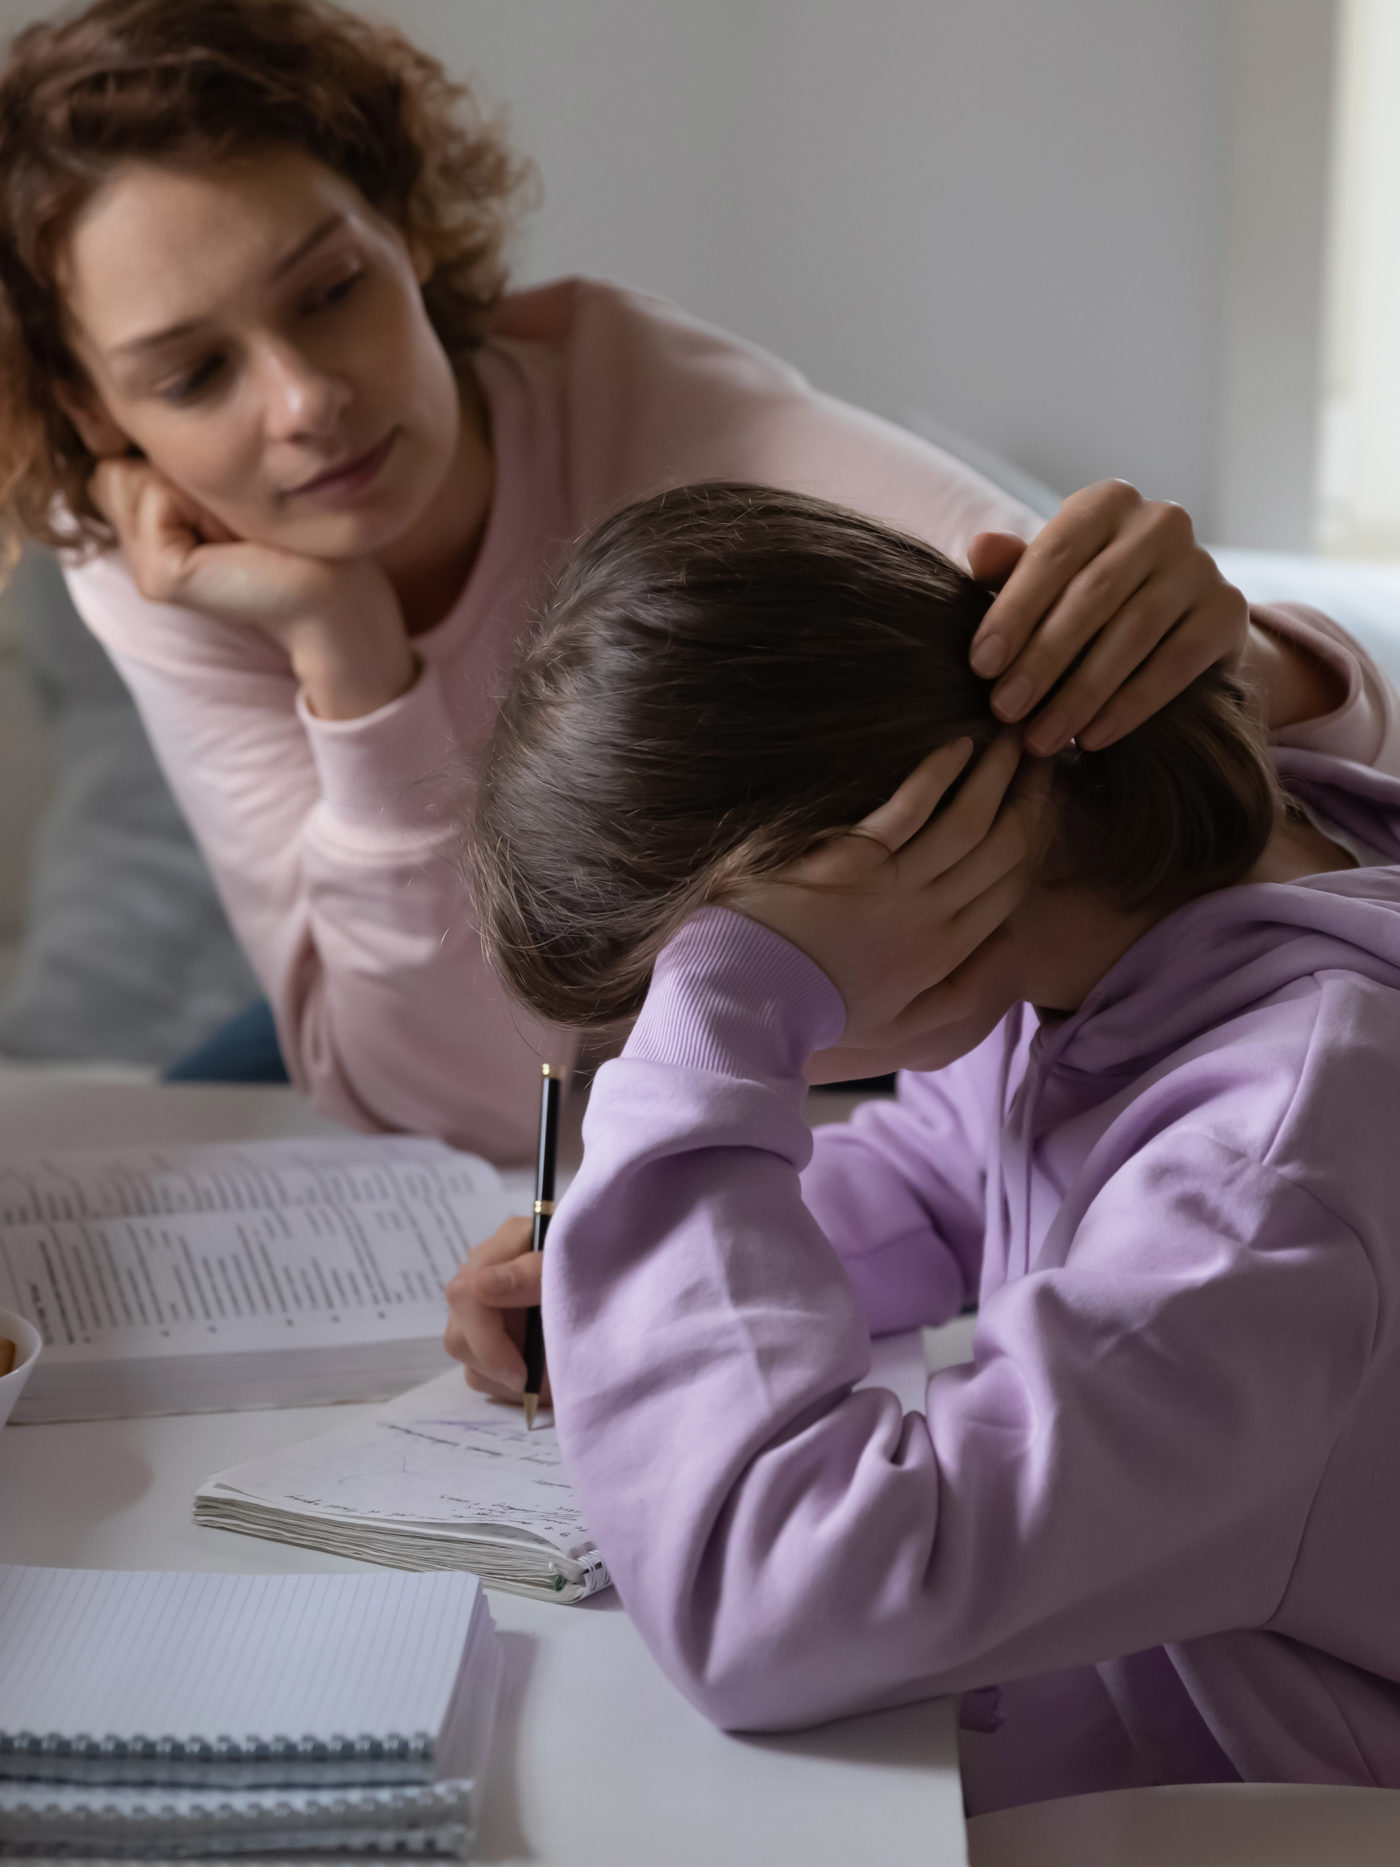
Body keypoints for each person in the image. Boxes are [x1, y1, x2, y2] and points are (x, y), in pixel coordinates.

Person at [0, 0, 1379, 1157]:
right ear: (92, 407)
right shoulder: (166, 568)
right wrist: (346, 658)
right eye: (194, 374)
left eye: (330, 289)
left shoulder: (651, 404)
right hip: (529, 1020)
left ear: (406, 230)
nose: (304, 404)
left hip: (842, 1015)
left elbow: (1163, 753)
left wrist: (1234, 658)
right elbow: (446, 1098)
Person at [453, 481, 1400, 1811]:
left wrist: (725, 1029)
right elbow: (948, 1176)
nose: (706, 1038)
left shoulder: (1265, 1184)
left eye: (688, 999)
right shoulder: (1127, 929)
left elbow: (779, 1599)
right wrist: (624, 1270)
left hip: (1281, 1817)